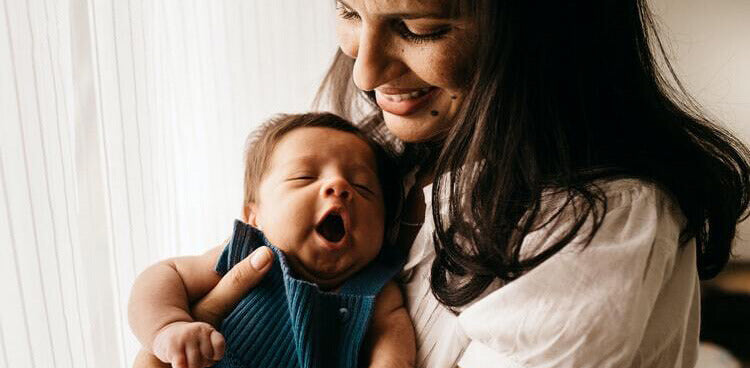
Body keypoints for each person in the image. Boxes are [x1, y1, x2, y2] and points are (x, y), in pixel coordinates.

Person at [136, 1, 750, 367]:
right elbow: (168, 286)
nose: (366, 71)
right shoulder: (393, 154)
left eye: (422, 26)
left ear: (545, 32)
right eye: (350, 10)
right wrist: (166, 332)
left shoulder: (596, 221)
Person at [128, 113, 415, 368]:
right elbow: (164, 275)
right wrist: (169, 326)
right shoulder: (246, 254)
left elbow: (394, 347)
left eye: (362, 187)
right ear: (254, 216)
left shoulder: (377, 290)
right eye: (304, 177)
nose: (338, 186)